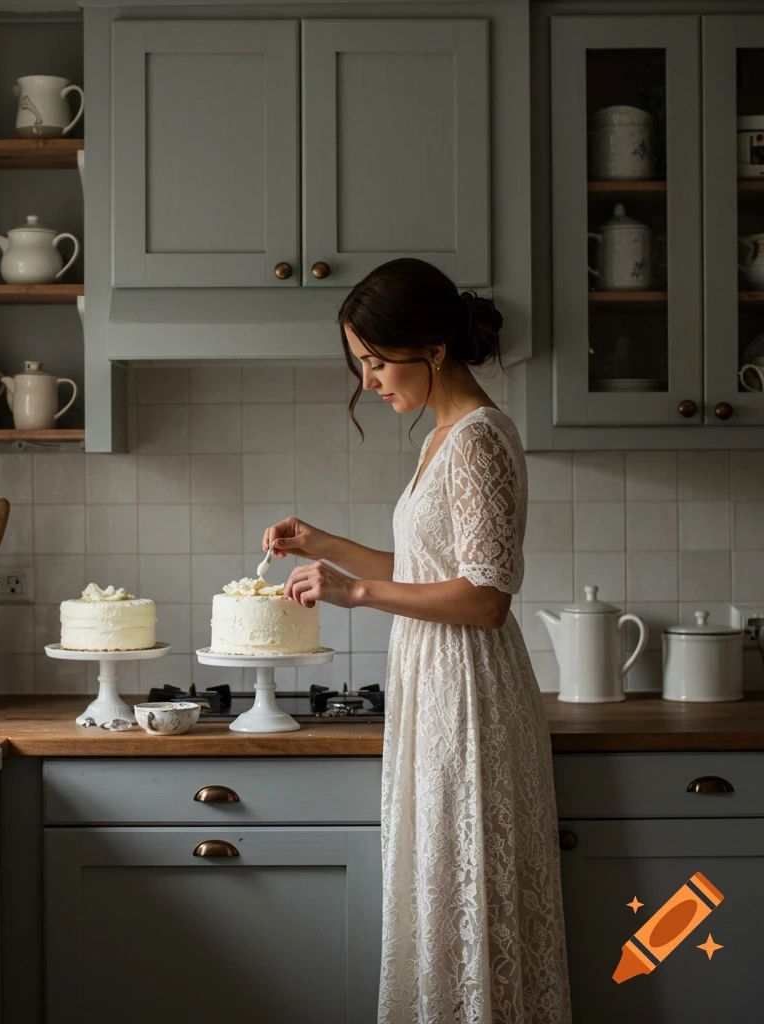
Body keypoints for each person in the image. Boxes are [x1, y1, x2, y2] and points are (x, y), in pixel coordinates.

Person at [263, 258, 573, 1024]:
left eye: (375, 360)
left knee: (468, 898)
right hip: (435, 688)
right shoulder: (442, 437)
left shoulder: (477, 439)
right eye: (359, 363)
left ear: (434, 349)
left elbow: (487, 598)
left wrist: (355, 592)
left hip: (469, 694)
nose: (367, 380)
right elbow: (429, 570)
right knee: (441, 898)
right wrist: (324, 546)